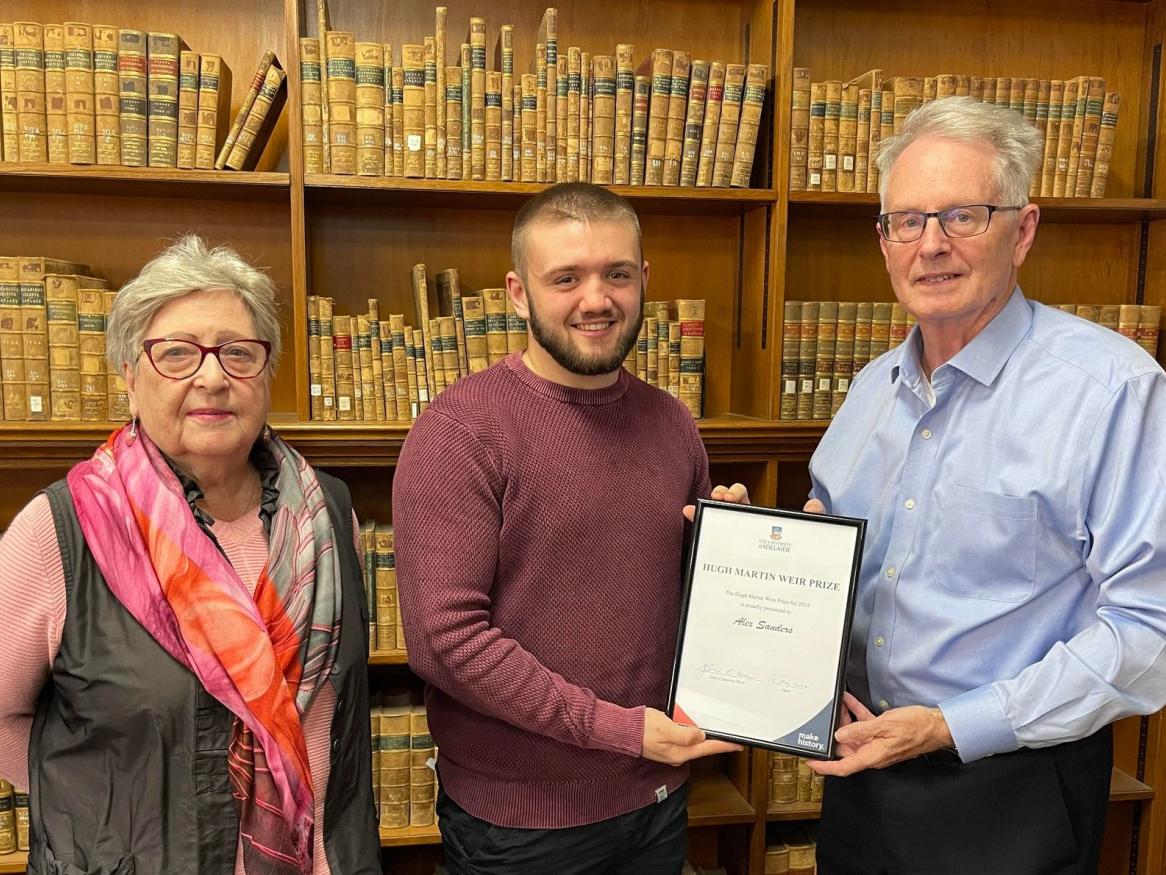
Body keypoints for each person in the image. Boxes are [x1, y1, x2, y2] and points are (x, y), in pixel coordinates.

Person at [805, 96, 1166, 874]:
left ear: (1024, 228)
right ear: (884, 240)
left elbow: (1150, 630)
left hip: (1015, 788)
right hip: (865, 774)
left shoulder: (1113, 391)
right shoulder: (869, 391)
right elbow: (829, 563)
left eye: (962, 215)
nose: (930, 245)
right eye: (906, 221)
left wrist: (951, 724)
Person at [393, 182, 744, 875]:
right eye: (567, 278)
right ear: (519, 294)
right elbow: (446, 642)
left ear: (643, 281)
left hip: (657, 794)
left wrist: (733, 542)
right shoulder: (460, 431)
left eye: (617, 273)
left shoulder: (672, 422)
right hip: (521, 827)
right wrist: (617, 730)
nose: (596, 299)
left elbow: (686, 599)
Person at [0, 236, 381, 875]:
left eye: (238, 353)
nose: (212, 377)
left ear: (266, 371)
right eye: (176, 354)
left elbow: (337, 725)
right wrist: (96, 811)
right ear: (130, 376)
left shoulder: (329, 515)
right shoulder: (60, 530)